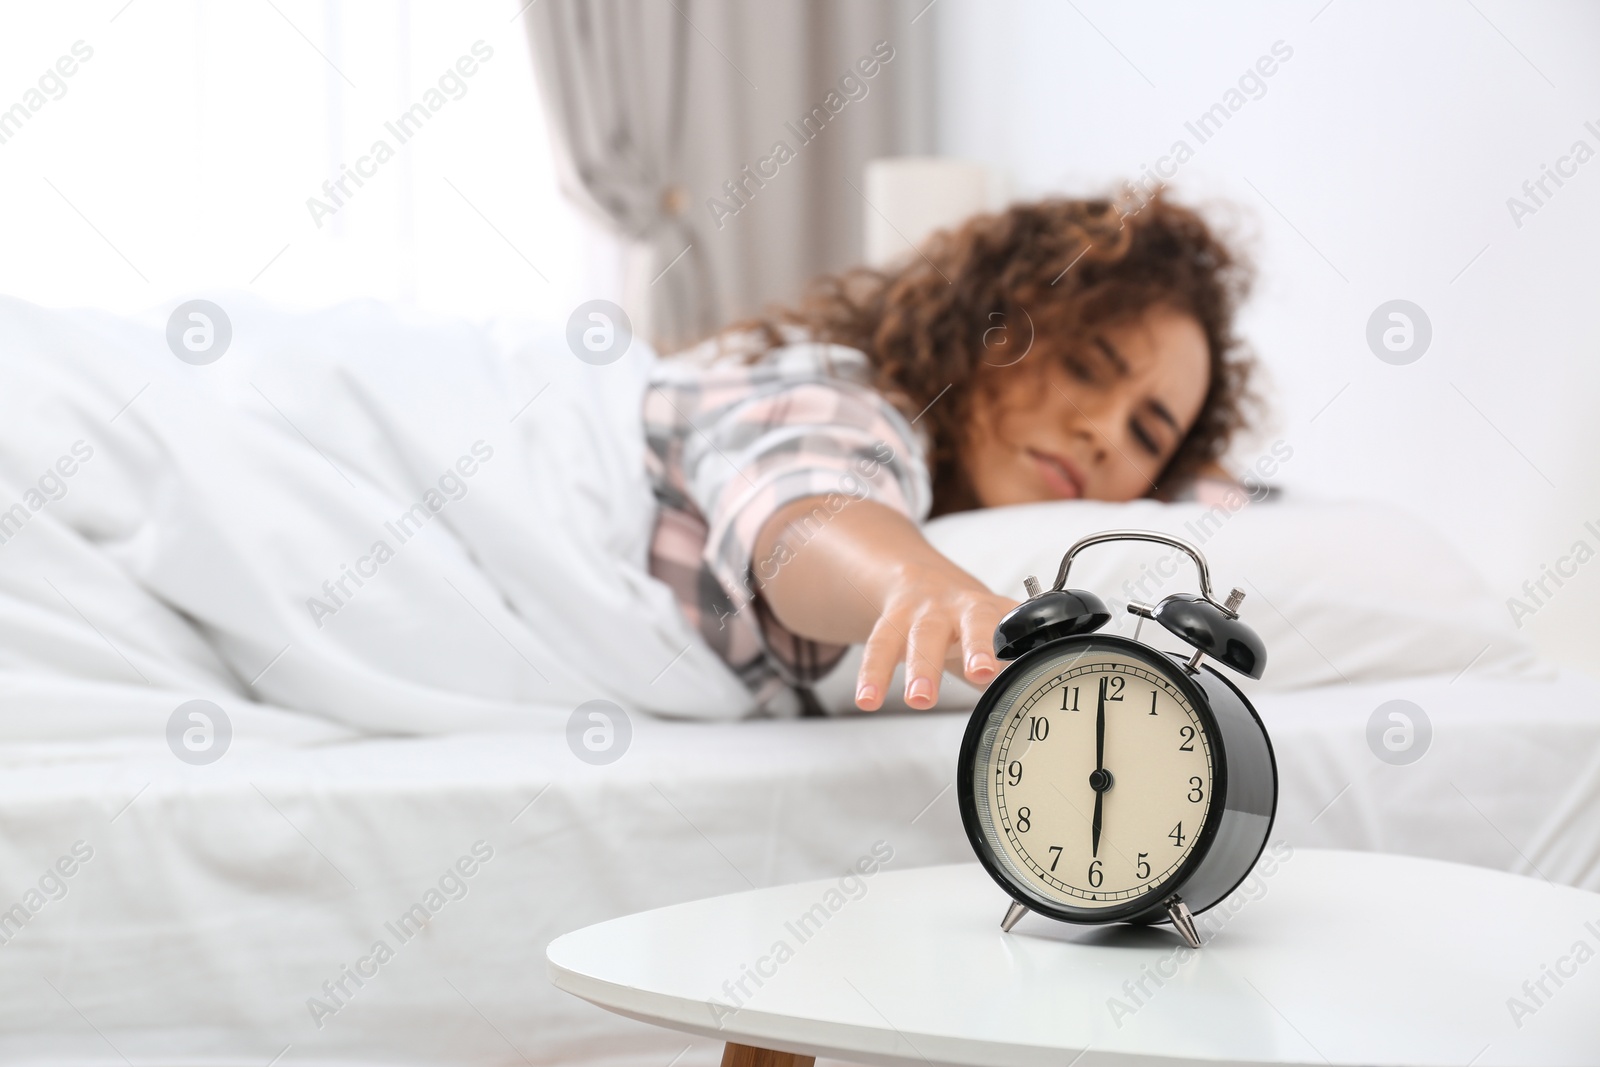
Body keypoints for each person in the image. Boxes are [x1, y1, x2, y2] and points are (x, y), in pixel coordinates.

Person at [644, 192, 1256, 717]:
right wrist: (919, 586)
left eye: (1147, 436)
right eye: (1085, 368)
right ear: (995, 329)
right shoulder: (843, 390)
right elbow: (803, 511)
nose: (1104, 434)